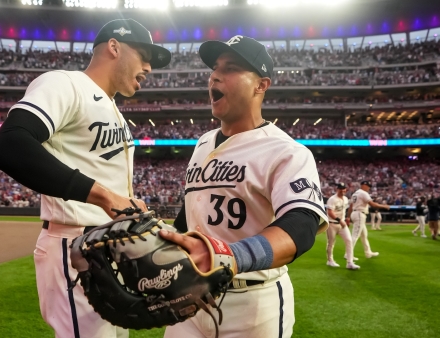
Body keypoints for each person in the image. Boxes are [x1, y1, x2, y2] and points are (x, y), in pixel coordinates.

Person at [0, 19, 171, 338]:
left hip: (107, 247)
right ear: (114, 47)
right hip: (75, 245)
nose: (148, 67)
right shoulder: (65, 84)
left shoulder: (112, 108)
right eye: (144, 55)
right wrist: (104, 196)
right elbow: (10, 143)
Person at [160, 35, 328, 337]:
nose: (216, 74)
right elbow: (191, 217)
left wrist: (229, 255)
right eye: (215, 67)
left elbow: (301, 226)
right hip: (192, 295)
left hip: (252, 301)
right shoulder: (202, 143)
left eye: (232, 67)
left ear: (261, 85)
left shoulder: (287, 151)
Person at [347, 181, 390, 258]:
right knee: (355, 236)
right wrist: (384, 206)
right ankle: (348, 254)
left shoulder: (355, 193)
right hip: (359, 214)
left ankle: (368, 252)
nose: (369, 187)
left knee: (364, 235)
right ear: (363, 185)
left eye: (369, 186)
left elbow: (350, 206)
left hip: (356, 213)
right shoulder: (363, 193)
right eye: (367, 186)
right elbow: (372, 204)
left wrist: (348, 216)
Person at [326, 183, 359, 270]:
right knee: (331, 243)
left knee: (349, 240)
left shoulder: (345, 199)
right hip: (332, 223)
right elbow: (330, 212)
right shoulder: (332, 199)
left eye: (343, 188)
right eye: (340, 188)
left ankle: (350, 262)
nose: (342, 190)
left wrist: (347, 218)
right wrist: (340, 220)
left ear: (345, 190)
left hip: (342, 224)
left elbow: (345, 210)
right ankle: (330, 260)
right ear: (337, 189)